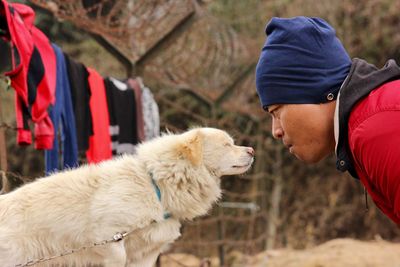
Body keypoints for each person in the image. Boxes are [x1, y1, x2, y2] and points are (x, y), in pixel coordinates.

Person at [255, 16, 400, 224]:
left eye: (277, 111)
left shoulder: (376, 129)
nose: (275, 130)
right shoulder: (371, 118)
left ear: (318, 91)